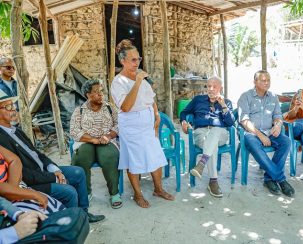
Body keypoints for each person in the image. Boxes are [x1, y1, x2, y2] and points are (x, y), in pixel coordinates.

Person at [0, 91, 105, 222]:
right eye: (8, 107)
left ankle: (83, 214)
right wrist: (53, 177)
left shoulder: (16, 130)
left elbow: (37, 153)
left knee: (78, 172)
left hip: (42, 171)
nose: (13, 110)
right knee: (69, 191)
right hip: (31, 183)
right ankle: (72, 223)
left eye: (13, 105)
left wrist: (54, 169)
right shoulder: (1, 139)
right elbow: (23, 173)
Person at [111, 39, 174, 208]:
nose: (136, 62)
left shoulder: (143, 79)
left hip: (147, 124)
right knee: (134, 160)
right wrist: (137, 81)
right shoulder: (118, 82)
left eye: (138, 59)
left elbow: (150, 98)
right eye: (133, 59)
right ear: (122, 61)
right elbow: (125, 106)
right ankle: (137, 194)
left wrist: (156, 114)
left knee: (155, 156)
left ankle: (158, 189)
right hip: (131, 126)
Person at [237, 70, 295, 197]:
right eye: (263, 80)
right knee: (253, 143)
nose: (267, 82)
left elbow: (278, 115)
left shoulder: (273, 97)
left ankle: (269, 179)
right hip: (251, 133)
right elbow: (244, 121)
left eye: (268, 80)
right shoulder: (245, 96)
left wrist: (278, 124)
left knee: (286, 142)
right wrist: (260, 135)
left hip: (270, 131)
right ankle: (280, 179)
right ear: (255, 82)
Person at [180, 76, 235, 198]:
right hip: (201, 133)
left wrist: (223, 105)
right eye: (208, 86)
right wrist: (184, 122)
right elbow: (184, 112)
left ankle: (202, 163)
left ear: (221, 88)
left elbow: (231, 123)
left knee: (215, 130)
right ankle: (213, 181)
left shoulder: (227, 102)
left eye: (214, 86)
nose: (210, 89)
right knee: (211, 145)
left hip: (220, 134)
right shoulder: (198, 100)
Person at [70, 79, 122, 208]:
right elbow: (74, 131)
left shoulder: (109, 107)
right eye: (96, 92)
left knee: (110, 156)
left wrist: (109, 135)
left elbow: (119, 124)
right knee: (81, 157)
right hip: (86, 141)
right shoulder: (79, 111)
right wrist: (92, 139)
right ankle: (85, 192)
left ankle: (114, 193)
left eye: (101, 91)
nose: (100, 94)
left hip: (106, 140)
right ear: (88, 94)